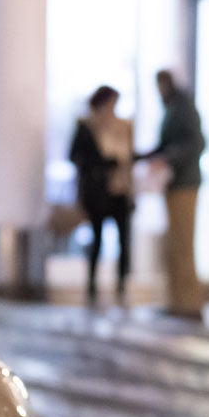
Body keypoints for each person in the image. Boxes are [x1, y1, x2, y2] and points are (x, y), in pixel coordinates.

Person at [140, 69, 205, 320]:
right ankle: (177, 301)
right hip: (175, 183)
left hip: (185, 183)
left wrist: (167, 157)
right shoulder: (173, 107)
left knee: (182, 244)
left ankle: (189, 302)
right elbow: (169, 144)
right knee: (174, 245)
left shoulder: (182, 107)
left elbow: (196, 143)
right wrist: (146, 157)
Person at [69, 85, 135, 303]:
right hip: (98, 192)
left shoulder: (124, 126)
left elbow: (130, 156)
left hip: (120, 190)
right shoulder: (87, 126)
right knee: (96, 239)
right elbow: (76, 157)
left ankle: (121, 285)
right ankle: (92, 286)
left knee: (124, 239)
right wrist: (104, 163)